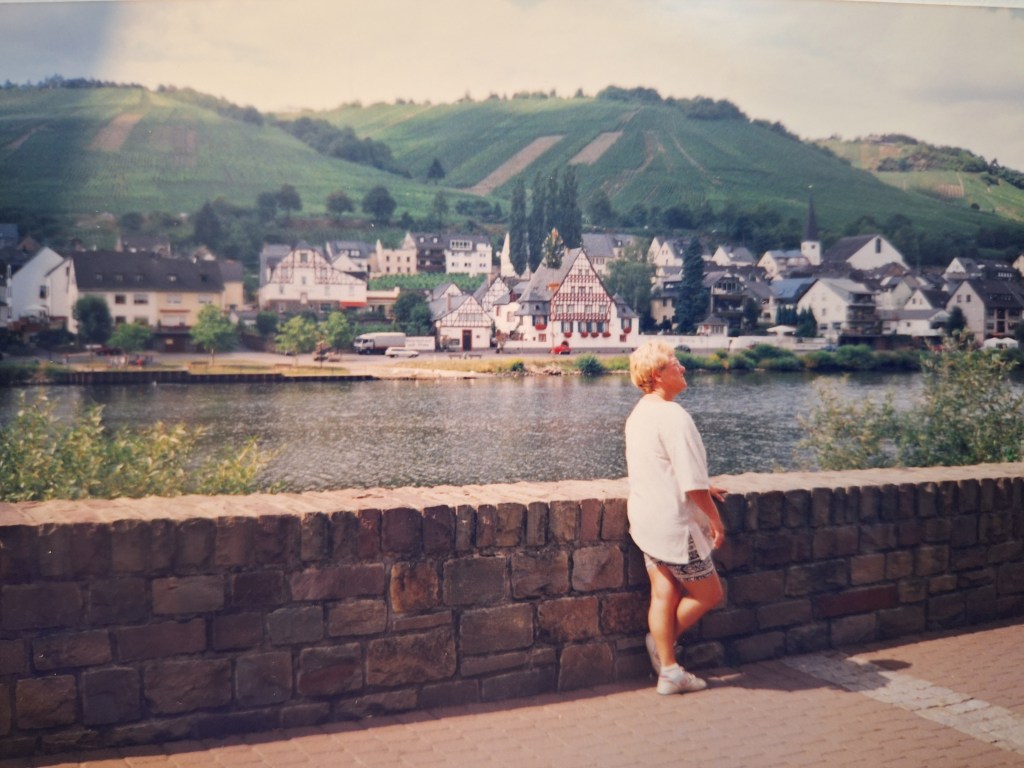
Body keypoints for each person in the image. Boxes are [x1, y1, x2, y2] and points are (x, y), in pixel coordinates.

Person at [624, 340, 726, 695]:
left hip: (646, 519)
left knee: (663, 593)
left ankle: (669, 670)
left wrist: (703, 485)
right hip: (675, 525)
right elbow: (691, 483)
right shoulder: (673, 415)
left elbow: (661, 465)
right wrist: (715, 520)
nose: (682, 368)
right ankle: (661, 649)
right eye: (675, 363)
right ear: (657, 375)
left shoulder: (639, 414)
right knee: (709, 594)